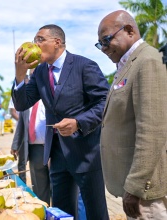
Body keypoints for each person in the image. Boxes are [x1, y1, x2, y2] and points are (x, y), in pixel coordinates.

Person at [12, 24, 109, 219]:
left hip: (86, 153)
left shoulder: (84, 65)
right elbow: (22, 104)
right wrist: (20, 74)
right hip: (56, 155)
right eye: (34, 41)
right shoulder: (40, 72)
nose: (35, 45)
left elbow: (105, 103)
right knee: (62, 212)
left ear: (57, 42)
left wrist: (78, 122)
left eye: (40, 39)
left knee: (95, 212)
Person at [97, 10, 167, 219]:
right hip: (133, 187)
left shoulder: (147, 61)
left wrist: (136, 186)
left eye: (106, 40)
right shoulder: (128, 64)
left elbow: (152, 130)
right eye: (99, 43)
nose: (103, 48)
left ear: (129, 30)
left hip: (145, 192)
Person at [11, 99, 50, 205]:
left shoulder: (50, 96)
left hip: (53, 148)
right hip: (35, 150)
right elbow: (21, 125)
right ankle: (43, 211)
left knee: (57, 187)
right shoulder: (26, 102)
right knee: (39, 187)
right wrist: (15, 145)